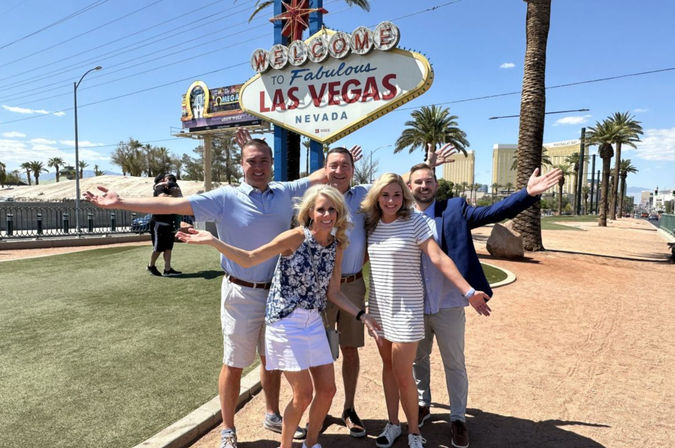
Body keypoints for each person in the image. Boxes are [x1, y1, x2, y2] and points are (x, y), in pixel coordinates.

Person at [84, 134, 329, 448]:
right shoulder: (224, 197)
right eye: (251, 161)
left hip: (278, 297)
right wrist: (121, 202)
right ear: (241, 165)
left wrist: (341, 160)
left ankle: (272, 413)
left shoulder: (285, 191)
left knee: (272, 361)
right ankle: (228, 430)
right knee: (235, 363)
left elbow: (320, 175)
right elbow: (171, 204)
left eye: (263, 160)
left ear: (271, 164)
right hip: (241, 294)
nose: (258, 166)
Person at [177, 185, 382, 448]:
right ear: (310, 212)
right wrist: (213, 241)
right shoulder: (295, 237)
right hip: (285, 322)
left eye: (333, 209)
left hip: (314, 321)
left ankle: (310, 443)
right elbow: (250, 259)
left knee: (327, 390)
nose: (327, 214)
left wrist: (361, 315)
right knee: (303, 393)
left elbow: (334, 292)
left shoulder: (337, 244)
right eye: (321, 209)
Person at [407, 162, 563, 448]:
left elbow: (493, 212)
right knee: (418, 359)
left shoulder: (454, 209)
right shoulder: (400, 215)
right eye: (418, 182)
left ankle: (457, 418)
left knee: (454, 363)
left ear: (436, 185)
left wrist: (527, 194)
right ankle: (422, 404)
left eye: (428, 181)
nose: (423, 186)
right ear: (409, 187)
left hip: (449, 303)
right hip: (415, 305)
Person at [321, 145, 455, 439]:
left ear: (354, 171)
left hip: (355, 287)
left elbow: (394, 186)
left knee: (353, 352)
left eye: (346, 165)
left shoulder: (365, 200)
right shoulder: (316, 196)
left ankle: (352, 410)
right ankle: (318, 414)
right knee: (317, 353)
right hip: (322, 288)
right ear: (325, 167)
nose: (339, 171)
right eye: (334, 165)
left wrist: (427, 166)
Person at [359, 173, 491, 448]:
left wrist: (469, 291)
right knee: (387, 367)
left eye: (396, 195)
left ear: (404, 196)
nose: (391, 200)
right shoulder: (370, 225)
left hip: (408, 309)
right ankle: (393, 424)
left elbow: (438, 257)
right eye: (385, 194)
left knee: (403, 372)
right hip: (380, 308)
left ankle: (415, 432)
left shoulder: (415, 222)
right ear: (377, 197)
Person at [147, 174, 182, 277]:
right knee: (158, 248)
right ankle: (151, 265)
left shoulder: (170, 188)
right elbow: (163, 198)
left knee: (168, 248)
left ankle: (167, 269)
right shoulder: (159, 187)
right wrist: (173, 196)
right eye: (167, 179)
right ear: (162, 180)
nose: (169, 180)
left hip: (169, 223)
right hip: (159, 222)